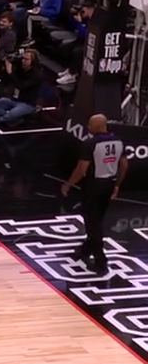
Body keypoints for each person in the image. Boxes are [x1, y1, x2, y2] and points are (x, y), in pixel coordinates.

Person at [63, 113, 127, 273]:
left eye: (90, 125)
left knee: (93, 222)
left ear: (96, 126)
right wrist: (117, 184)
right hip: (109, 183)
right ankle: (85, 249)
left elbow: (81, 169)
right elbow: (124, 165)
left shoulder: (90, 143)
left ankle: (100, 261)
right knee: (97, 219)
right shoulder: (118, 141)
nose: (88, 127)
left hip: (94, 185)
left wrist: (68, 184)